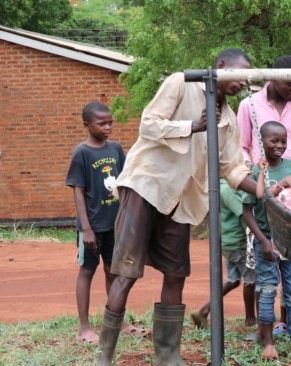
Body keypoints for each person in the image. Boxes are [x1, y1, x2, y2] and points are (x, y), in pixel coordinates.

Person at [97, 48, 258, 366]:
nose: (242, 82)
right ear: (221, 66)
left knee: (176, 274)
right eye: (239, 74)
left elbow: (234, 169)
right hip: (146, 185)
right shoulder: (180, 83)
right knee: (127, 274)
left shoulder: (228, 118)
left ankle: (167, 354)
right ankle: (104, 356)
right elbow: (148, 124)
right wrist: (192, 126)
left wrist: (266, 191)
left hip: (181, 201)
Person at [66, 102, 149, 345]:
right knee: (87, 272)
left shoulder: (115, 149)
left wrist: (129, 218)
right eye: (101, 123)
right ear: (86, 125)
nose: (108, 127)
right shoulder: (81, 152)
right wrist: (87, 228)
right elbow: (78, 191)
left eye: (110, 122)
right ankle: (83, 328)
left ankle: (117, 321)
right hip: (92, 228)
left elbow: (124, 183)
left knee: (114, 272)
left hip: (116, 225)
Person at [241, 121, 291, 359]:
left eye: (283, 140)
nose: (280, 145)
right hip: (267, 239)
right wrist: (261, 241)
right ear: (263, 143)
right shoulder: (255, 172)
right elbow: (247, 211)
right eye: (274, 141)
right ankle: (268, 341)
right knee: (268, 289)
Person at [189, 179, 256, 329]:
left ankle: (204, 310)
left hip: (227, 241)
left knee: (233, 280)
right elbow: (244, 216)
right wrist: (257, 237)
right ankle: (250, 319)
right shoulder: (228, 190)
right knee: (251, 280)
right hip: (239, 243)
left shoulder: (218, 186)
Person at [239, 55, 291, 164]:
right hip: (263, 175)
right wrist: (248, 167)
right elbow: (241, 146)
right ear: (273, 78)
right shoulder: (248, 105)